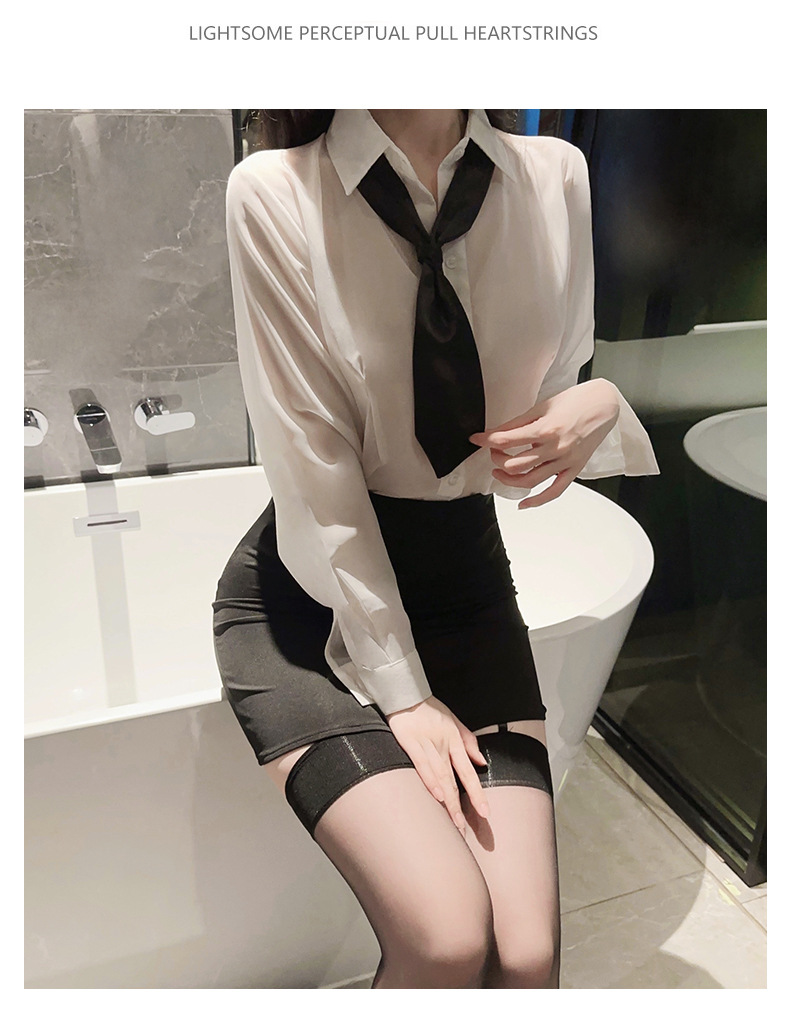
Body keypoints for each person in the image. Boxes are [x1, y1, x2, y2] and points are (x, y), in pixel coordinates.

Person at [212, 109, 659, 989]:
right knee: (448, 936)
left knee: (525, 960)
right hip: (314, 610)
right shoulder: (275, 191)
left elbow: (523, 436)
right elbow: (315, 471)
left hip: (467, 593)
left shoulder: (556, 177)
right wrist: (404, 693)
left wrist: (600, 400)